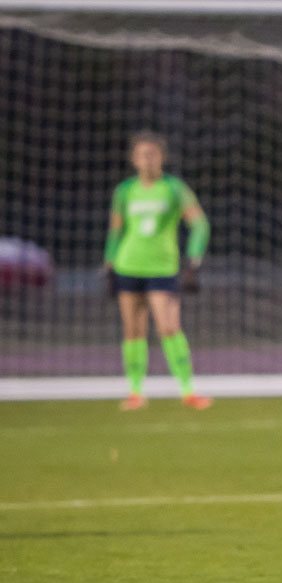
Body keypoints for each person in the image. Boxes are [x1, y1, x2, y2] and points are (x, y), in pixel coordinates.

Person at [102, 131, 212, 411]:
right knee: (133, 330)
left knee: (169, 327)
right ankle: (135, 392)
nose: (148, 159)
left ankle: (188, 391)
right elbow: (116, 231)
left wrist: (193, 259)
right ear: (134, 159)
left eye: (153, 154)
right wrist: (109, 263)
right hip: (129, 266)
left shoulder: (174, 188)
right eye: (142, 155)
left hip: (162, 268)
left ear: (162, 157)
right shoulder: (125, 191)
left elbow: (199, 224)